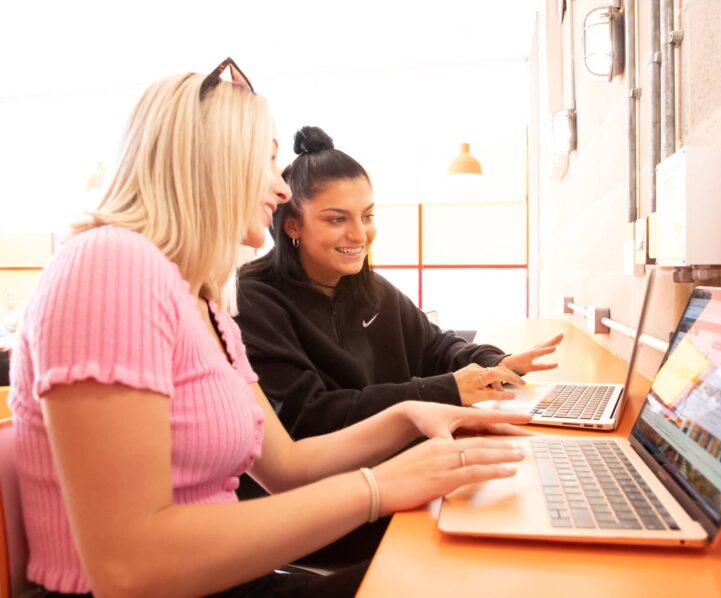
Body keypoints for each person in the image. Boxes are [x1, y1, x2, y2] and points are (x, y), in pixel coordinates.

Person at [9, 59, 531, 598]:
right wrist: (378, 487)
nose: (280, 191)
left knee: (473, 571)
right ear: (210, 164)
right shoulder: (109, 266)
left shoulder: (206, 300)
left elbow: (288, 466)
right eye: (267, 160)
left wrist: (406, 416)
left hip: (228, 582)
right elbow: (128, 567)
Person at [235, 125, 564, 442]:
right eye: (337, 219)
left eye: (367, 216)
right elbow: (310, 417)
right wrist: (446, 389)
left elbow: (436, 348)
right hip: (332, 487)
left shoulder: (373, 290)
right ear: (292, 225)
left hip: (402, 462)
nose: (360, 235)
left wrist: (496, 363)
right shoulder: (253, 299)